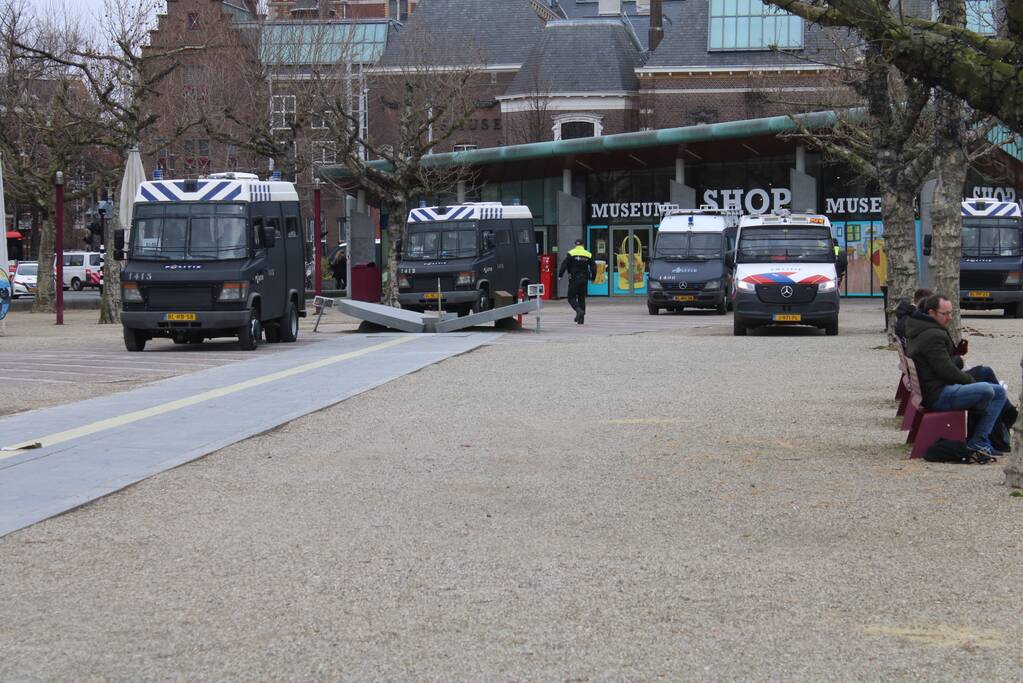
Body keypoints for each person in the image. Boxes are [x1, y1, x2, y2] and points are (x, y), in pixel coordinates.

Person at [905, 294, 1008, 456]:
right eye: (945, 314)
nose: (950, 317)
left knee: (997, 391)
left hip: (931, 390)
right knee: (989, 390)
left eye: (951, 313)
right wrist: (971, 381)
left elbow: (942, 364)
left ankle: (980, 439)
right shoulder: (933, 335)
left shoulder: (921, 329)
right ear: (931, 313)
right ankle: (980, 439)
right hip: (939, 395)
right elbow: (946, 371)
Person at [558, 238, 596, 324]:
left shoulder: (571, 253)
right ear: (583, 245)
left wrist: (560, 275)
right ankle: (581, 320)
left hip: (574, 279)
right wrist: (593, 278)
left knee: (571, 298)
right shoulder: (588, 254)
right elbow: (593, 267)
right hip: (584, 279)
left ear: (575, 245)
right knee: (581, 298)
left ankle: (579, 311)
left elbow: (564, 264)